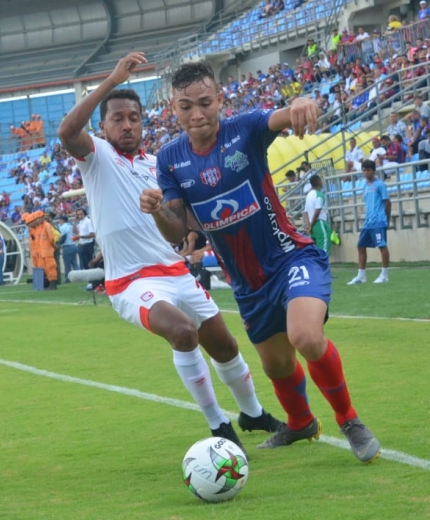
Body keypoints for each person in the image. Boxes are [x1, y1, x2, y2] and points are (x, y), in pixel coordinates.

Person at [142, 60, 380, 463]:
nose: (197, 114)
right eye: (186, 106)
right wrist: (157, 212)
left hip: (290, 258)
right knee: (276, 365)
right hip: (248, 284)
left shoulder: (246, 129)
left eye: (205, 102)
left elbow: (282, 116)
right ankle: (301, 422)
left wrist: (300, 103)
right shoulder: (169, 159)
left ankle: (350, 420)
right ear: (173, 109)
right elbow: (176, 229)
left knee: (305, 336)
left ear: (220, 100)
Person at [59, 52, 282, 452]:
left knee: (226, 346)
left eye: (133, 117)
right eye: (117, 118)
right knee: (182, 332)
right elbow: (66, 131)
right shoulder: (96, 157)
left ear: (144, 122)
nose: (126, 125)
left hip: (176, 271)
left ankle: (251, 414)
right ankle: (218, 425)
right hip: (131, 281)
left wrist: (181, 222)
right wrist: (111, 80)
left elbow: (186, 221)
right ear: (104, 125)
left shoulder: (160, 164)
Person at [347, 161, 391, 285]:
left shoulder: (380, 185)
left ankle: (384, 275)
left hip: (378, 221)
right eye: (364, 170)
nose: (366, 172)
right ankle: (361, 276)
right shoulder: (365, 186)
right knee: (360, 245)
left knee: (382, 245)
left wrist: (387, 220)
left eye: (368, 170)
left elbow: (387, 203)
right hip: (368, 222)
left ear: (373, 170)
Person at [303, 175, 331, 253]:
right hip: (319, 223)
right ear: (319, 182)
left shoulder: (309, 195)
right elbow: (317, 211)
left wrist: (309, 226)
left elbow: (305, 212)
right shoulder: (319, 195)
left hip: (312, 226)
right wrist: (311, 225)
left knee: (315, 252)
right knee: (324, 250)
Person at [55, 215, 79, 283]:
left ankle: (68, 278)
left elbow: (63, 237)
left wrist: (58, 244)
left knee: (67, 264)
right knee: (74, 263)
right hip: (73, 245)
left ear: (62, 220)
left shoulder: (63, 227)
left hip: (67, 246)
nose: (59, 222)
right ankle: (79, 277)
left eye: (59, 220)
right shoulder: (70, 226)